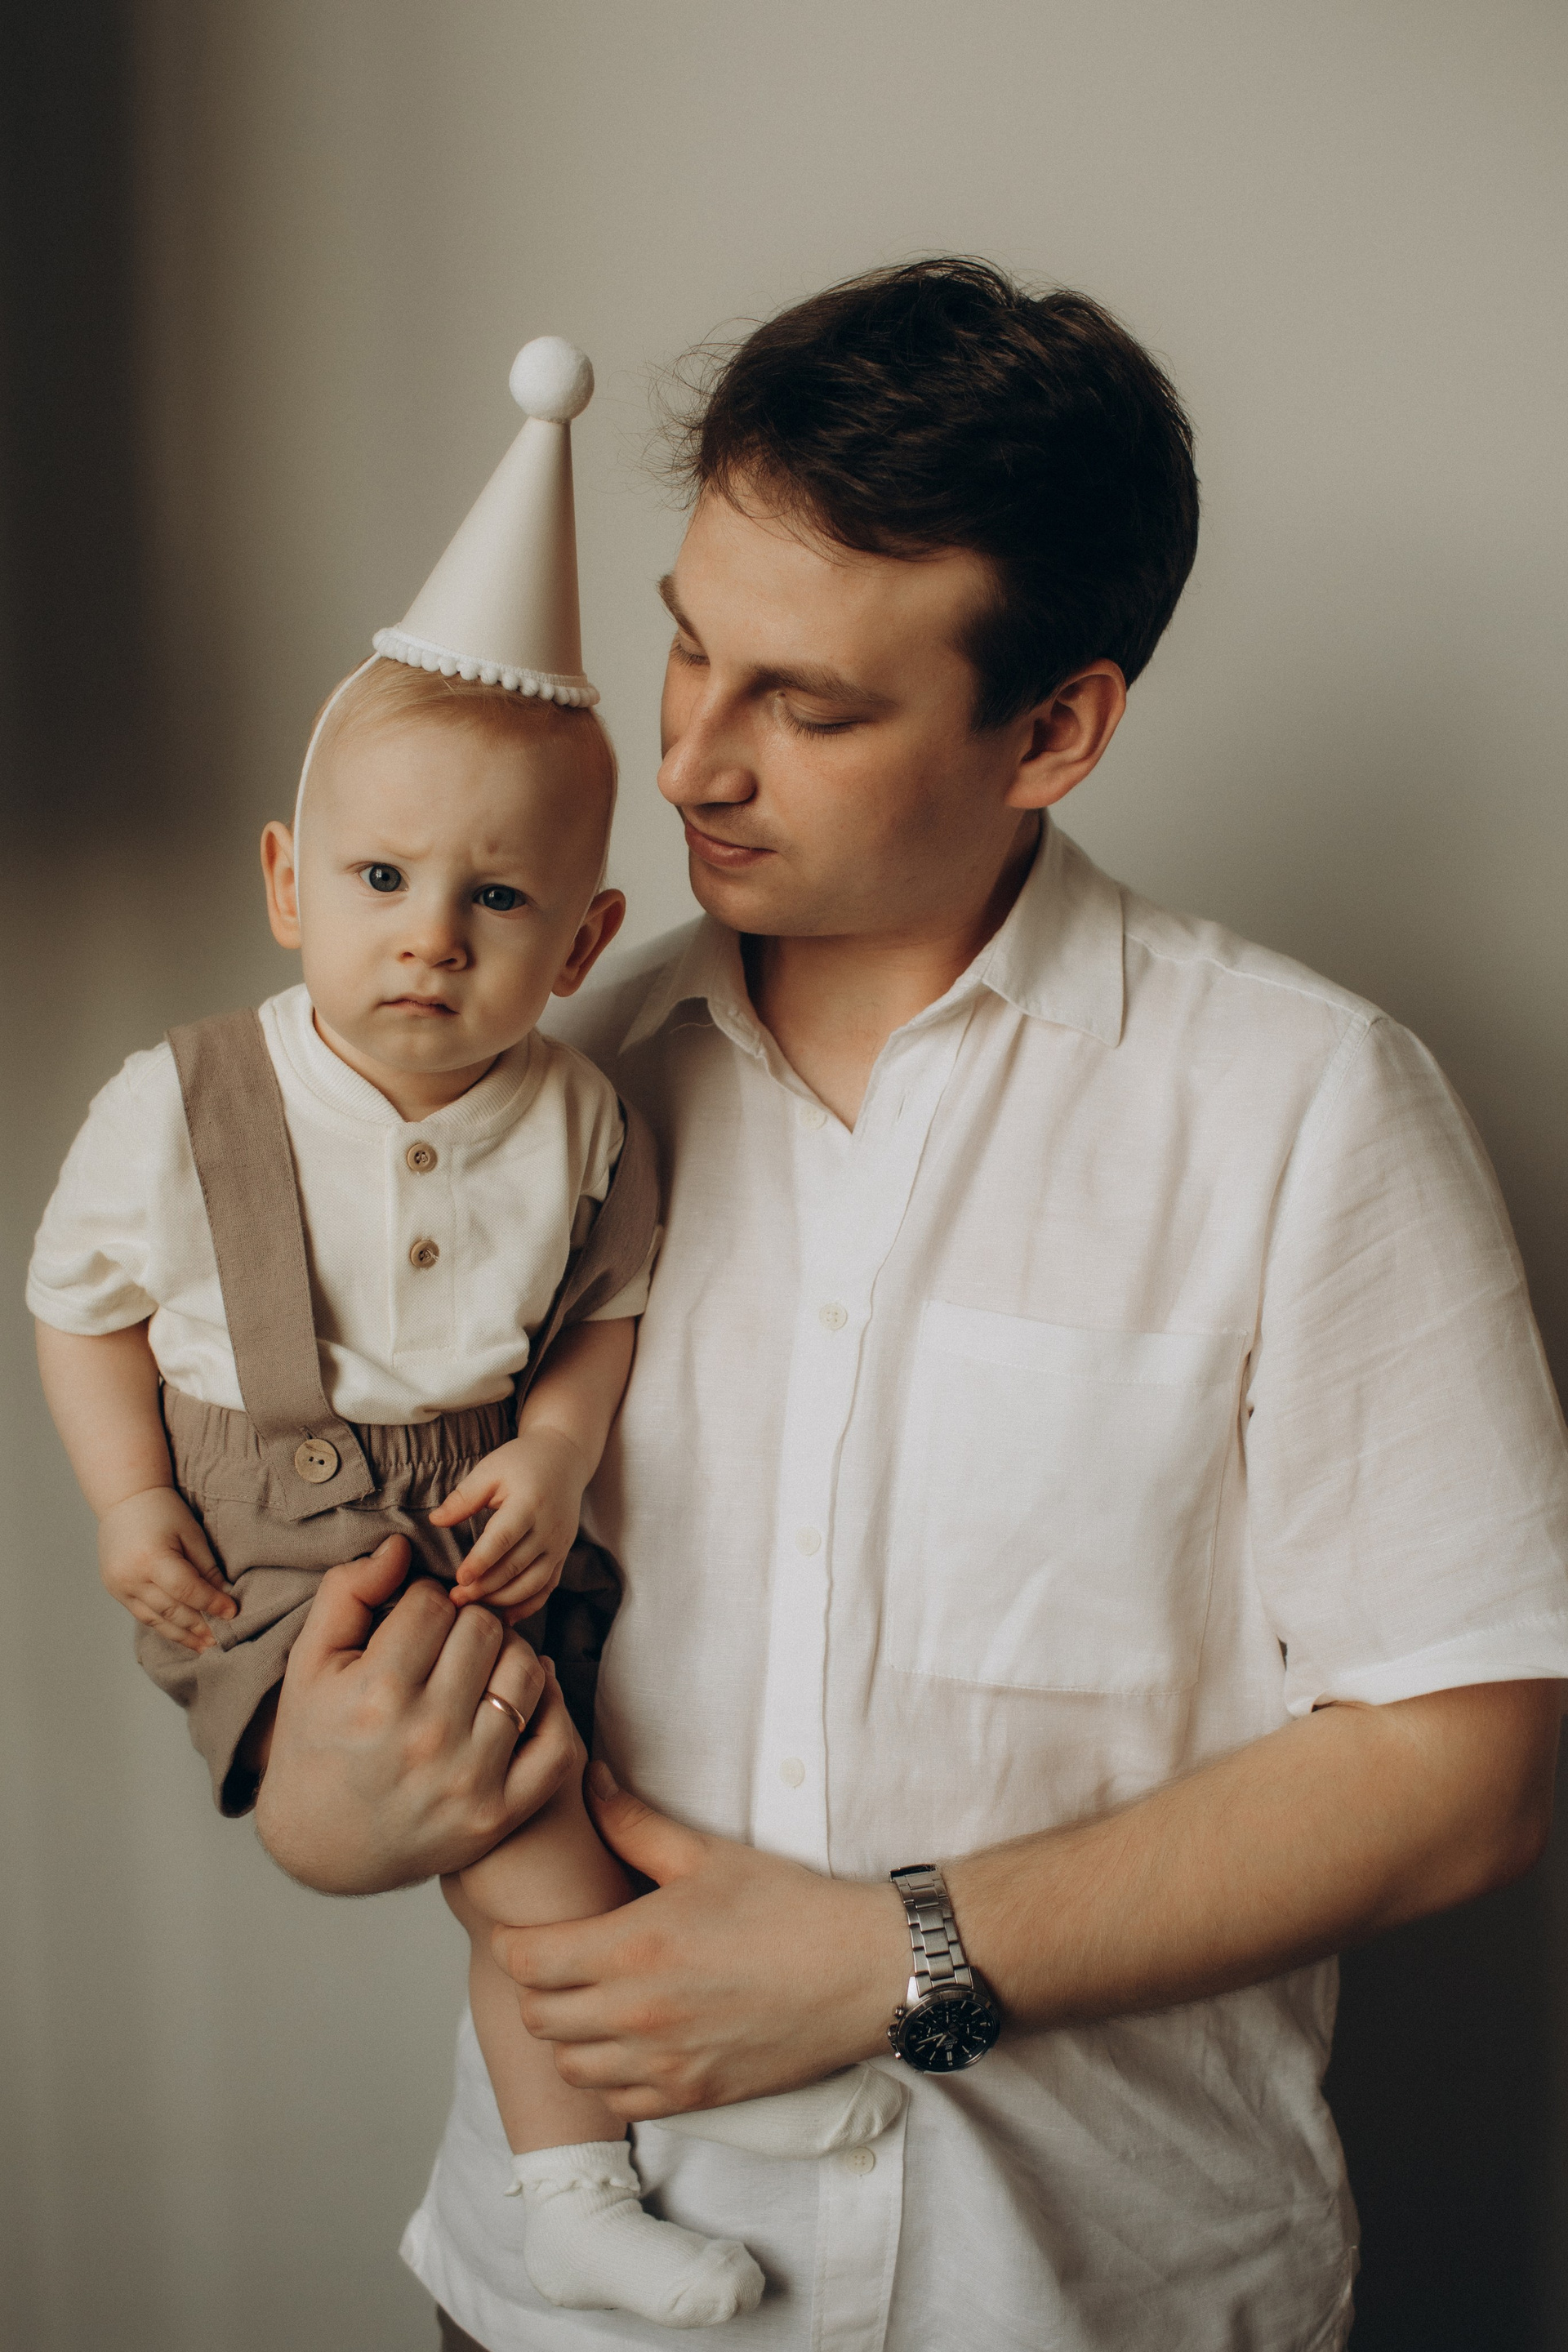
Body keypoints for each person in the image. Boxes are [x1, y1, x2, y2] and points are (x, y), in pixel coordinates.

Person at [234, 263, 1568, 2350]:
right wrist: (324, 1788)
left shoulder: (1304, 1106)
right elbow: (344, 1601)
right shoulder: (527, 1096)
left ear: (1057, 729)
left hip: (1081, 2298)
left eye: (814, 706)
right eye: (688, 646)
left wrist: (902, 1957)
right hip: (553, 2303)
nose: (691, 758)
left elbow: (1471, 1756)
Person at [29, 338, 897, 2335]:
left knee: (553, 1800)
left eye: (497, 898)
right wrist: (127, 1505)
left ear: (582, 941)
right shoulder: (183, 1104)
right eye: (381, 878)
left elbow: (604, 1309)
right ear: (287, 885)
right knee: (526, 1828)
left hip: (484, 1516)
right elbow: (77, 1310)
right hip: (265, 1550)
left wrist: (564, 1451)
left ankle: (589, 2162)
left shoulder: (583, 1111)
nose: (429, 932)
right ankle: (605, 2164)